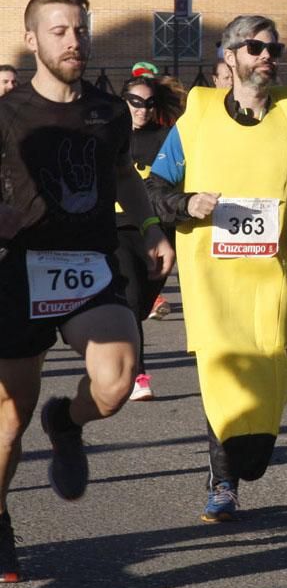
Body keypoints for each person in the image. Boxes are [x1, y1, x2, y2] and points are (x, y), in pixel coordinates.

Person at [0, 0, 174, 582]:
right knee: (7, 420)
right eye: (58, 30)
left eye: (79, 28)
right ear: (30, 40)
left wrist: (150, 224)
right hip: (18, 271)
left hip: (87, 265)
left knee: (117, 380)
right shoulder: (7, 112)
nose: (72, 40)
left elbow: (123, 172)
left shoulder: (107, 111)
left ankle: (67, 421)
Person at [147, 15, 287, 522]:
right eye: (253, 47)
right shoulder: (197, 118)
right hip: (213, 277)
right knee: (220, 368)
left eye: (272, 47)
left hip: (271, 276)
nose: (265, 55)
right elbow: (155, 190)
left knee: (268, 363)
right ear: (229, 57)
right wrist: (188, 204)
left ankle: (248, 453)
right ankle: (223, 480)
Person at [115, 74, 175, 400]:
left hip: (155, 231)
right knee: (133, 296)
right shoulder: (111, 135)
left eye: (149, 104)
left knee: (138, 307)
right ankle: (138, 375)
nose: (142, 110)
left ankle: (122, 342)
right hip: (117, 227)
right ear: (124, 102)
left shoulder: (166, 139)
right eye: (136, 103)